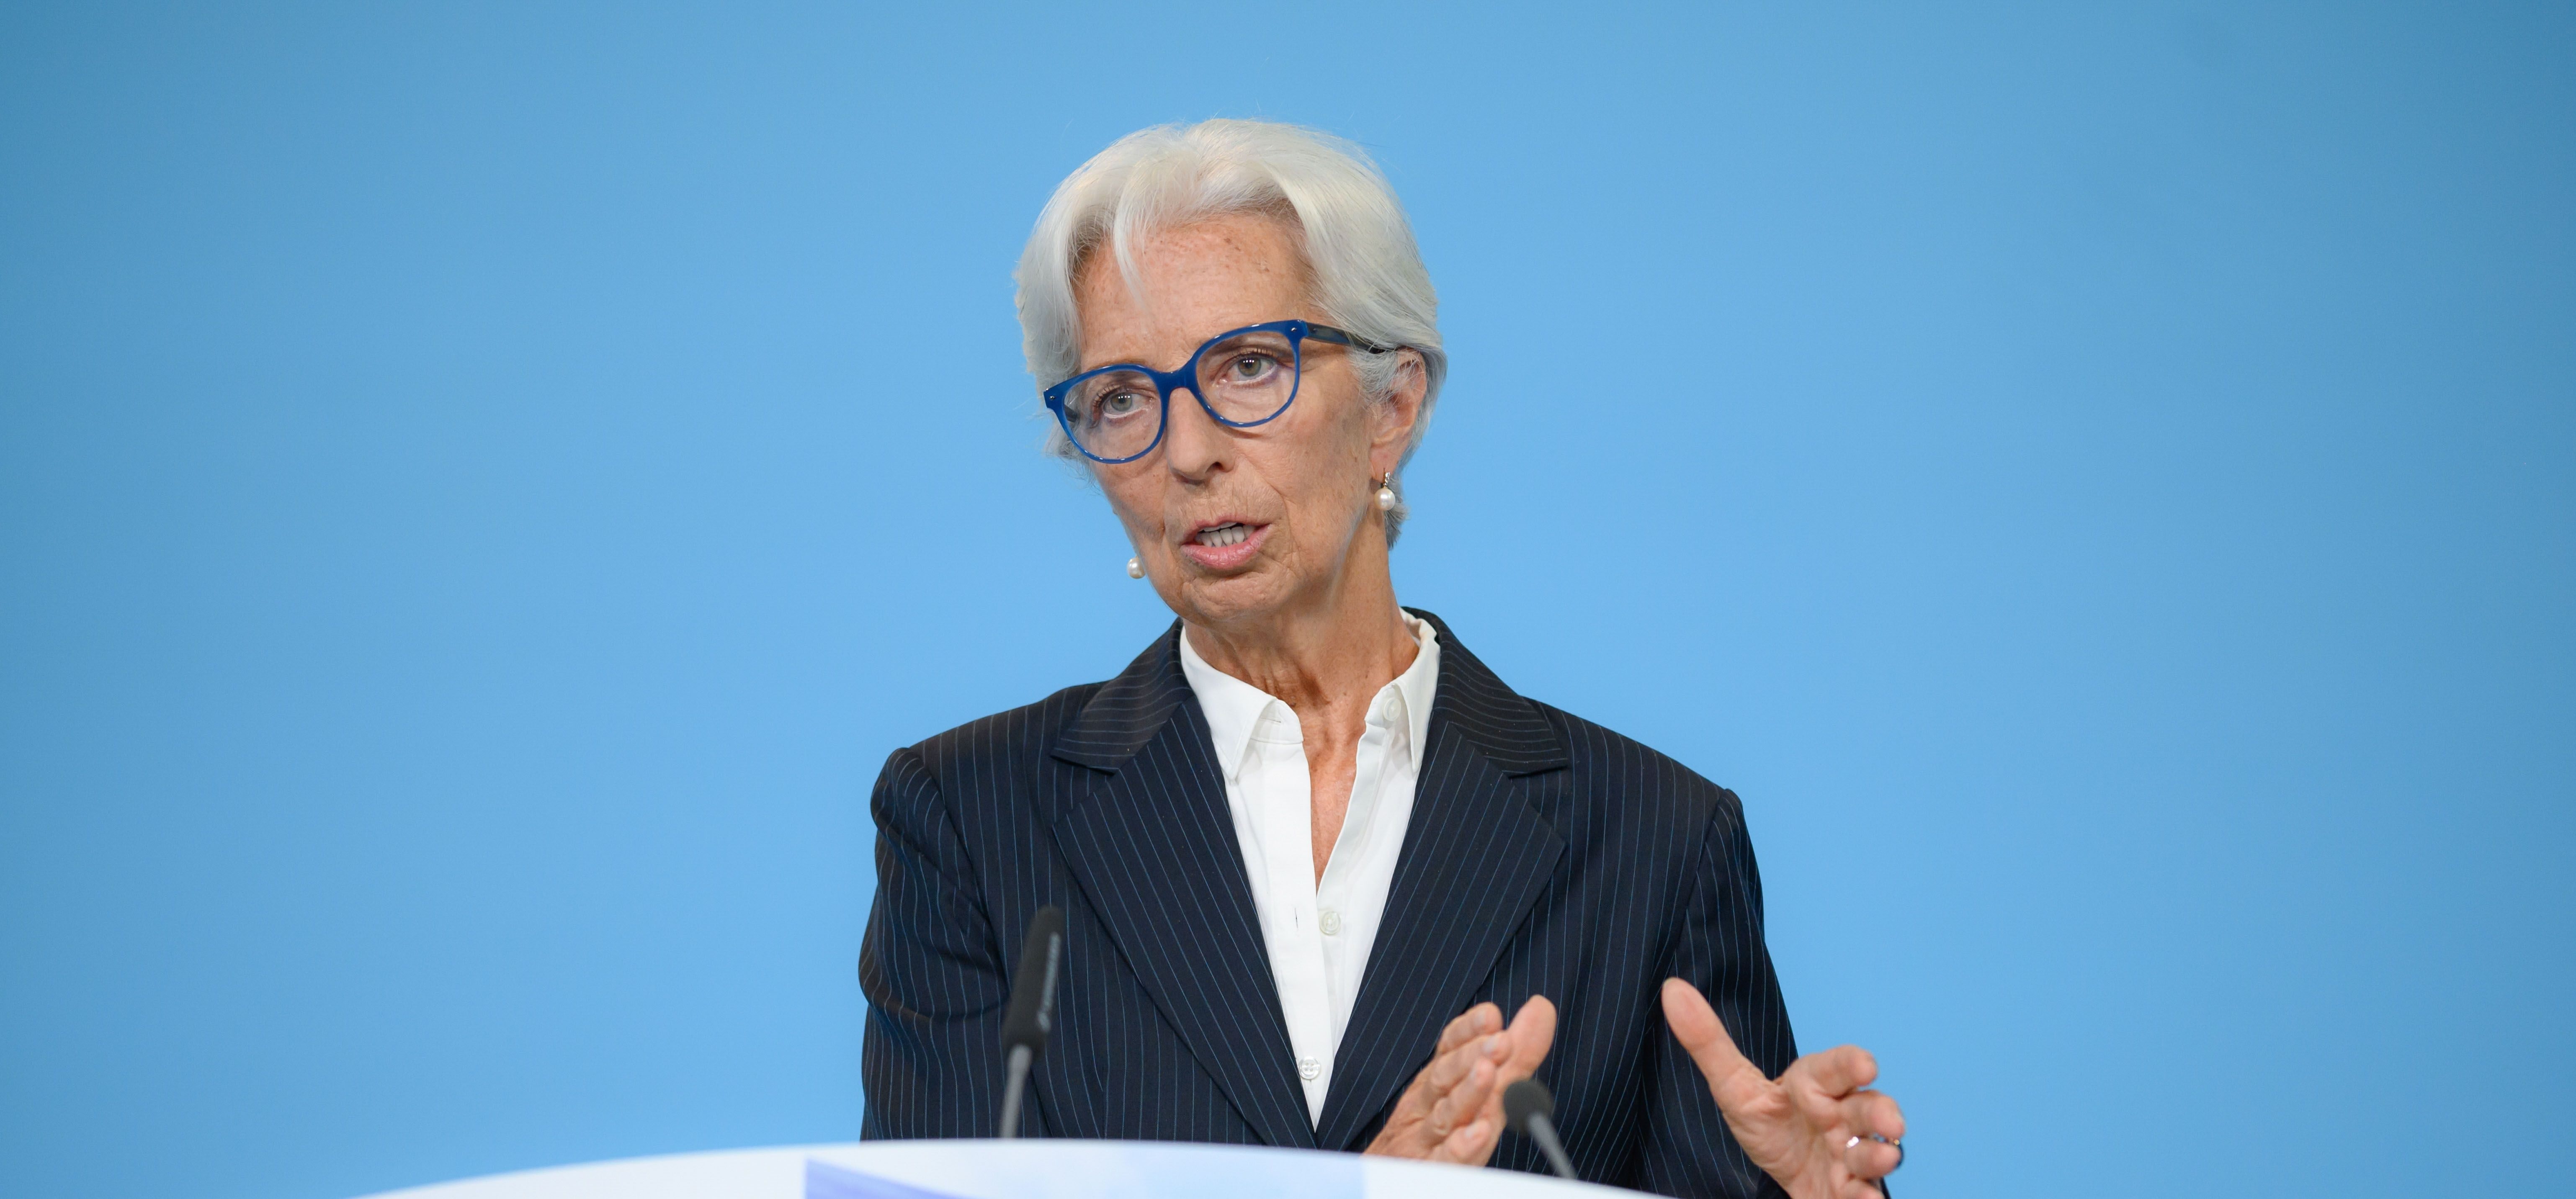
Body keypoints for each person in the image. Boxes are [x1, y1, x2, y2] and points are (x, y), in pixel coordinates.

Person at [858, 119, 1907, 1199]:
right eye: (1122, 397)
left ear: (1391, 407)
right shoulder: (975, 821)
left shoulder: (1653, 838)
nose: (1188, 451)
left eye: (1249, 366)